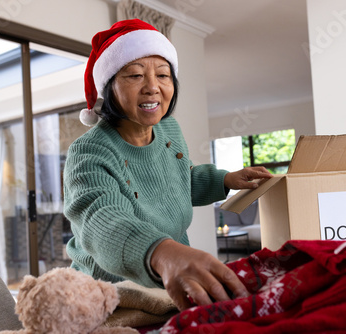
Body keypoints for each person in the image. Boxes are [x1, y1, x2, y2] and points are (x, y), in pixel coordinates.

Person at [63, 19, 272, 311]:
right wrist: (163, 254)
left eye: (163, 75)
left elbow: (176, 180)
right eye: (135, 75)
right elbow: (102, 219)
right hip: (107, 290)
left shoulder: (169, 130)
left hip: (165, 278)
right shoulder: (88, 152)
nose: (152, 87)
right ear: (109, 86)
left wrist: (225, 180)